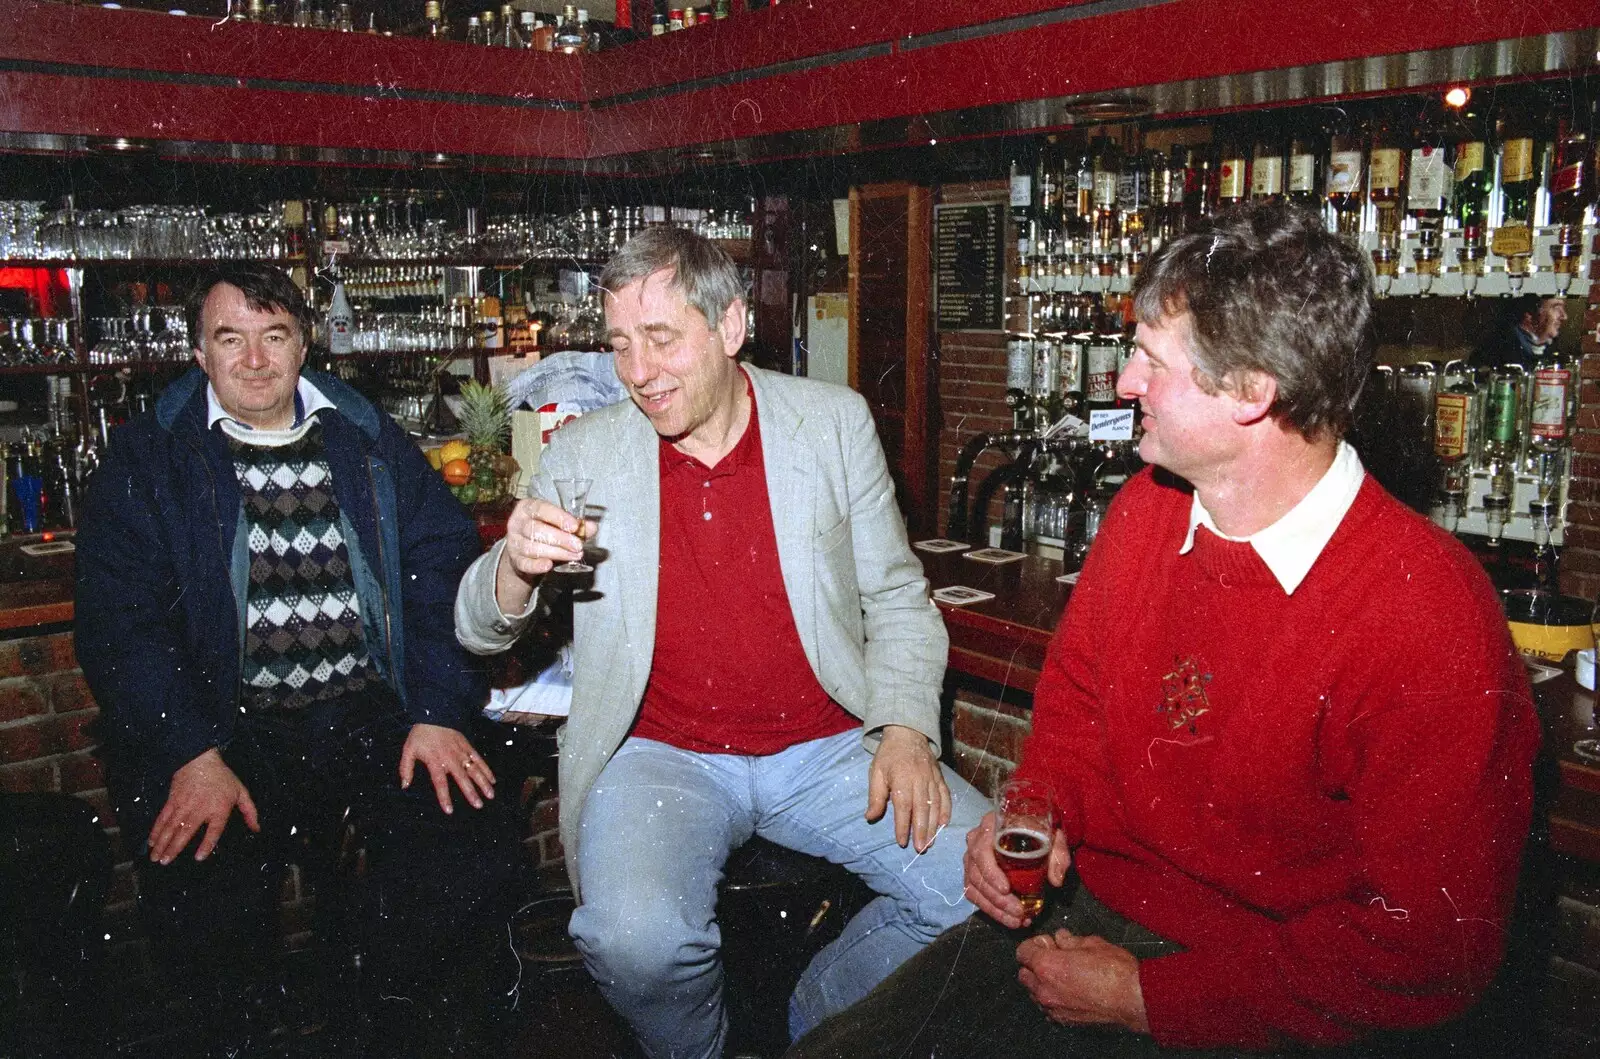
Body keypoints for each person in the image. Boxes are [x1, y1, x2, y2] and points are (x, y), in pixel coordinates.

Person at [787, 201, 1542, 1057]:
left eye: (1149, 360)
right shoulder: (1147, 511)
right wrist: (1031, 815)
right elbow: (1074, 709)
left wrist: (1150, 995)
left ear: (1254, 392)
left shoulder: (1429, 613)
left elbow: (1432, 951)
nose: (1121, 385)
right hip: (1089, 924)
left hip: (1273, 995)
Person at [455, 226, 985, 1058]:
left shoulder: (832, 425)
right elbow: (477, 626)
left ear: (731, 326)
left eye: (662, 339)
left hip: (832, 744)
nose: (637, 373)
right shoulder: (586, 450)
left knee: (986, 891)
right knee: (633, 940)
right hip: (663, 754)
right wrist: (515, 571)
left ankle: (819, 1017)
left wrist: (909, 730)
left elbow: (898, 598)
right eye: (620, 344)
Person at [75, 264, 523, 1056]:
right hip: (226, 729)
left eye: (273, 336)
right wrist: (190, 751)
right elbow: (121, 625)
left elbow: (442, 567)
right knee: (203, 887)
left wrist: (434, 711)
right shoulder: (151, 457)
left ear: (304, 343)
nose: (254, 359)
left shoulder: (367, 437)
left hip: (367, 715)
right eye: (230, 338)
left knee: (465, 843)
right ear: (198, 352)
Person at [1473, 292, 1569, 368]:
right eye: (1556, 308)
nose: (1564, 316)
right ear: (1529, 314)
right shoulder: (1493, 351)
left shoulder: (1556, 354)